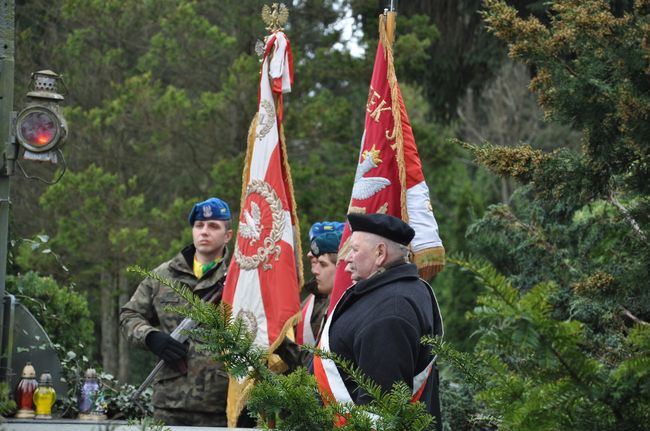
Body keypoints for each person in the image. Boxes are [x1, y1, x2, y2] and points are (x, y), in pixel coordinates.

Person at [313, 213, 443, 430]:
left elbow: (379, 413)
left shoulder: (391, 312)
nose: (347, 261)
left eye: (354, 250)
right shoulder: (392, 292)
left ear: (380, 253)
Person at [120, 197, 233, 426]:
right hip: (169, 403)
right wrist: (151, 337)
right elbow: (129, 316)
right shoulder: (163, 275)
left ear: (227, 235)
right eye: (199, 225)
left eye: (213, 226)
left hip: (222, 403)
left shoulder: (239, 279)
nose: (204, 231)